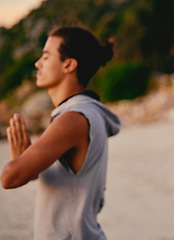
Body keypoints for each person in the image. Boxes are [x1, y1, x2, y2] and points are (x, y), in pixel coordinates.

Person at [1, 26, 121, 240]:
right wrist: (25, 162)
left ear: (69, 64)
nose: (38, 63)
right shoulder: (83, 113)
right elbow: (37, 173)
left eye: (46, 57)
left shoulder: (73, 119)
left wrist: (19, 162)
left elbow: (10, 178)